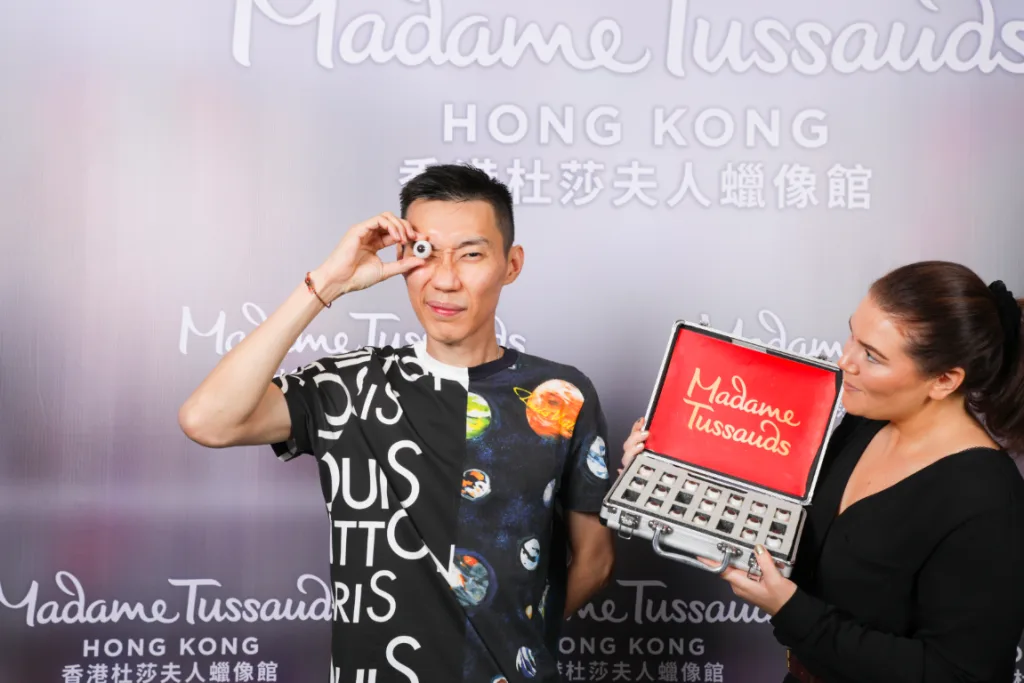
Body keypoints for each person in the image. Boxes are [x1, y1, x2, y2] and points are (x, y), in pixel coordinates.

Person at [178, 164, 615, 682]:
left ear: (511, 264)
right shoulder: (349, 385)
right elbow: (208, 420)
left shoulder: (559, 395)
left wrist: (514, 639)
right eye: (424, 252)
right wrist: (327, 283)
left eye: (471, 254)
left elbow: (594, 560)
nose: (445, 279)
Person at [620, 261, 1024, 683]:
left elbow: (957, 674)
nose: (845, 360)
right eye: (853, 335)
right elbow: (801, 544)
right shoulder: (863, 423)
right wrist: (664, 475)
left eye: (872, 356)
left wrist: (791, 609)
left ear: (943, 380)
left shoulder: (989, 500)